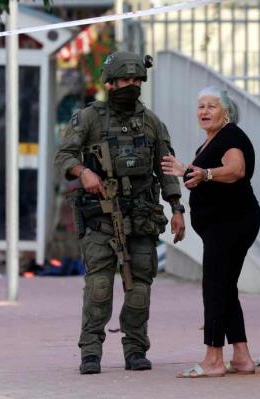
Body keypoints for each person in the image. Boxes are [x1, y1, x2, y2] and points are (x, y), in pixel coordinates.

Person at [53, 51, 186, 375]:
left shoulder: (152, 122)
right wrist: (83, 172)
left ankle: (135, 349)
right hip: (100, 215)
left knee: (140, 286)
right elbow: (64, 156)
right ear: (110, 82)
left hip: (140, 216)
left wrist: (177, 207)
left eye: (136, 80)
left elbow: (166, 168)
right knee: (99, 286)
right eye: (125, 80)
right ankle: (90, 351)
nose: (131, 85)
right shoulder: (88, 118)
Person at [161, 87, 260, 378]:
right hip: (222, 224)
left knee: (215, 287)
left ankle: (214, 358)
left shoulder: (231, 137)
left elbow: (236, 169)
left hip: (231, 223)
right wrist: (192, 175)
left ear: (226, 112)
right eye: (200, 106)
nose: (204, 111)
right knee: (225, 287)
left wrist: (203, 174)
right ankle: (241, 357)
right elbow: (207, 176)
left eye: (211, 106)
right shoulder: (210, 142)